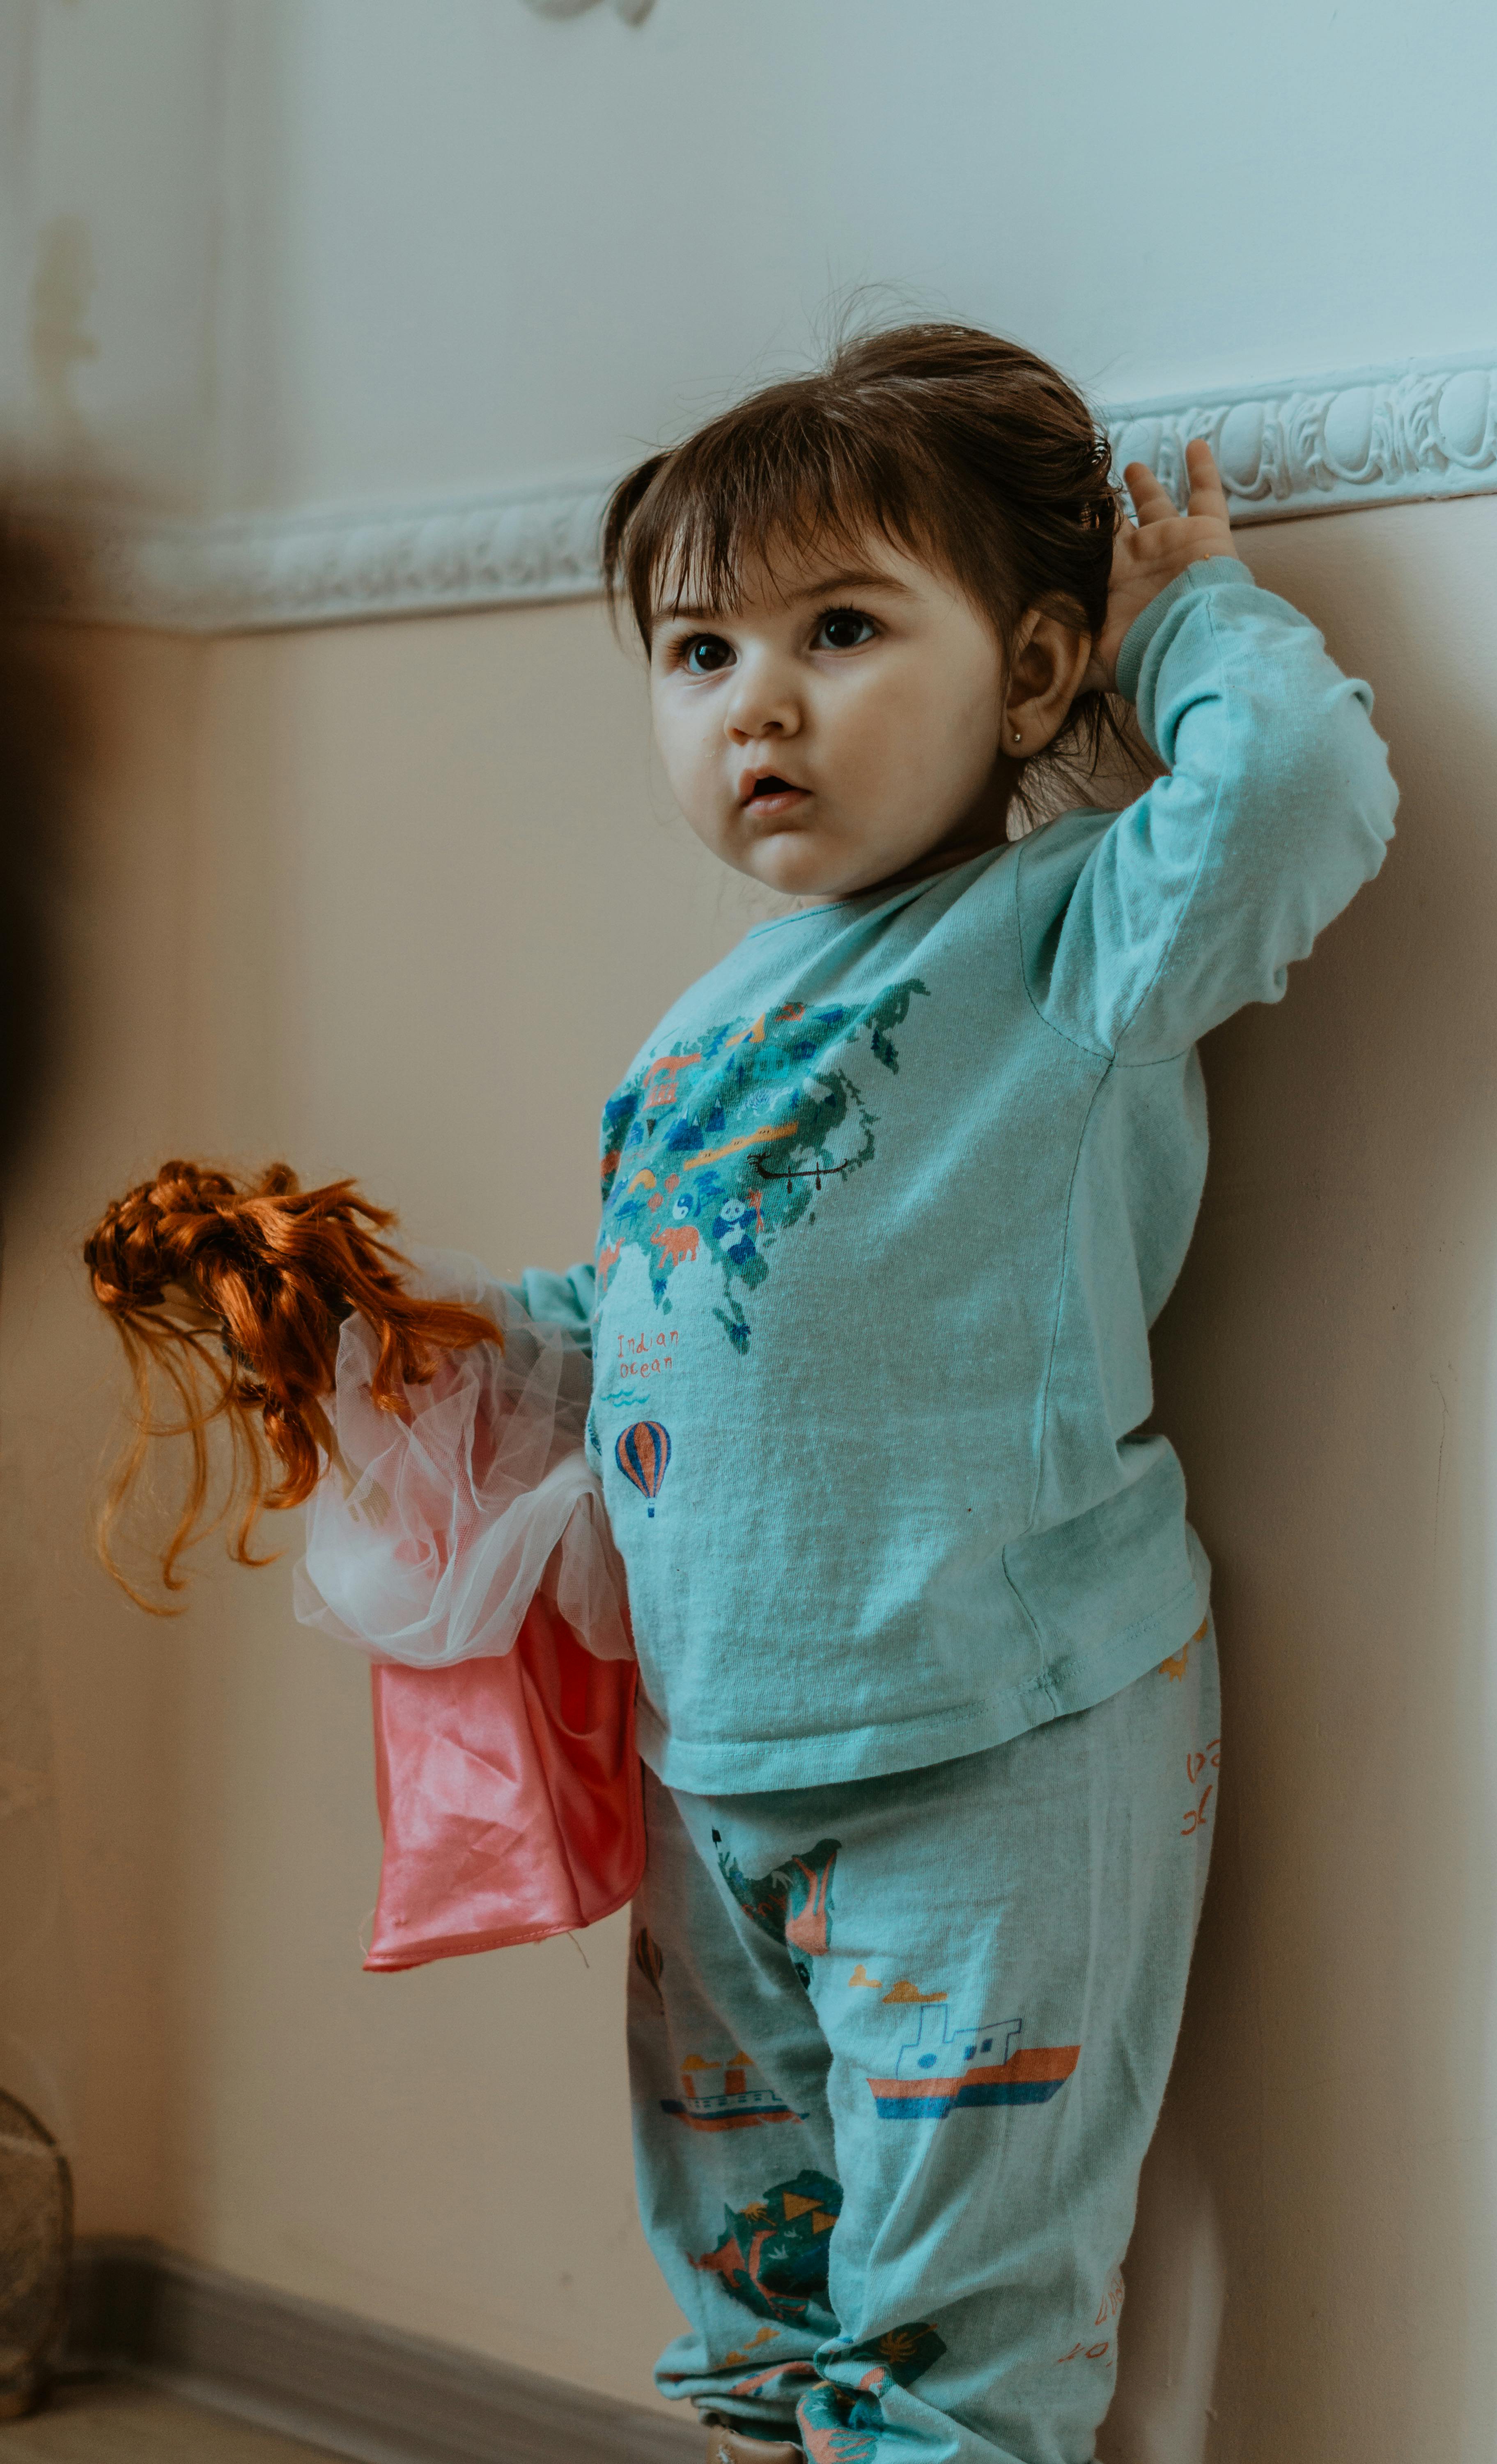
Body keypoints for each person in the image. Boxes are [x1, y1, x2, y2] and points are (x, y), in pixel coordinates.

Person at [88, 322, 1398, 2464]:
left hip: (995, 1742)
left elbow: (1302, 794)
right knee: (751, 2302)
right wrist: (388, 1327)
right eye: (698, 657)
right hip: (728, 1770)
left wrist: (1191, 630)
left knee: (960, 2341)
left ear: (1039, 667)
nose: (755, 702)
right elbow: (637, 1325)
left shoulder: (1072, 938)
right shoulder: (703, 1027)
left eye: (843, 629)